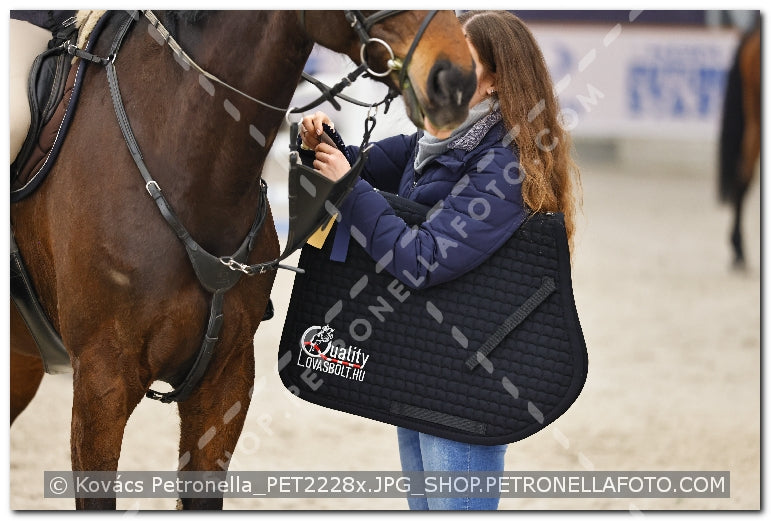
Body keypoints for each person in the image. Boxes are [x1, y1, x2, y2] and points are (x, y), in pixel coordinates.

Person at [299, 10, 581, 510]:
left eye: (462, 60)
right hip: (427, 364)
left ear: (495, 82)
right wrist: (324, 148)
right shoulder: (430, 143)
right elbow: (362, 170)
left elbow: (421, 259)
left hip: (469, 387)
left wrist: (348, 185)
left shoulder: (507, 167)